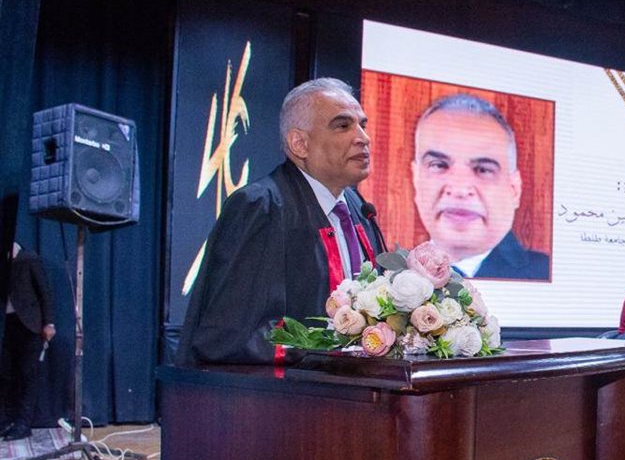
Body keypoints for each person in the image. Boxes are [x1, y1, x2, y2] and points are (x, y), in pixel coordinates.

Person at [177, 78, 386, 366]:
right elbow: (228, 334)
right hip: (283, 390)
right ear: (300, 144)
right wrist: (325, 345)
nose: (363, 138)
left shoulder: (359, 208)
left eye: (362, 125)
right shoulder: (261, 206)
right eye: (343, 126)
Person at [410, 93, 549, 280]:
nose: (459, 190)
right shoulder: (390, 273)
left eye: (483, 169)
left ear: (514, 190)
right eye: (439, 165)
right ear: (416, 179)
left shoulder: (544, 272)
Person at [1, 243, 56, 440]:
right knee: (5, 373)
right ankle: (5, 421)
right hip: (6, 324)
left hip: (29, 324)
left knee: (28, 373)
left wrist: (49, 323)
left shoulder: (28, 259)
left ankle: (23, 423)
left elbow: (45, 292)